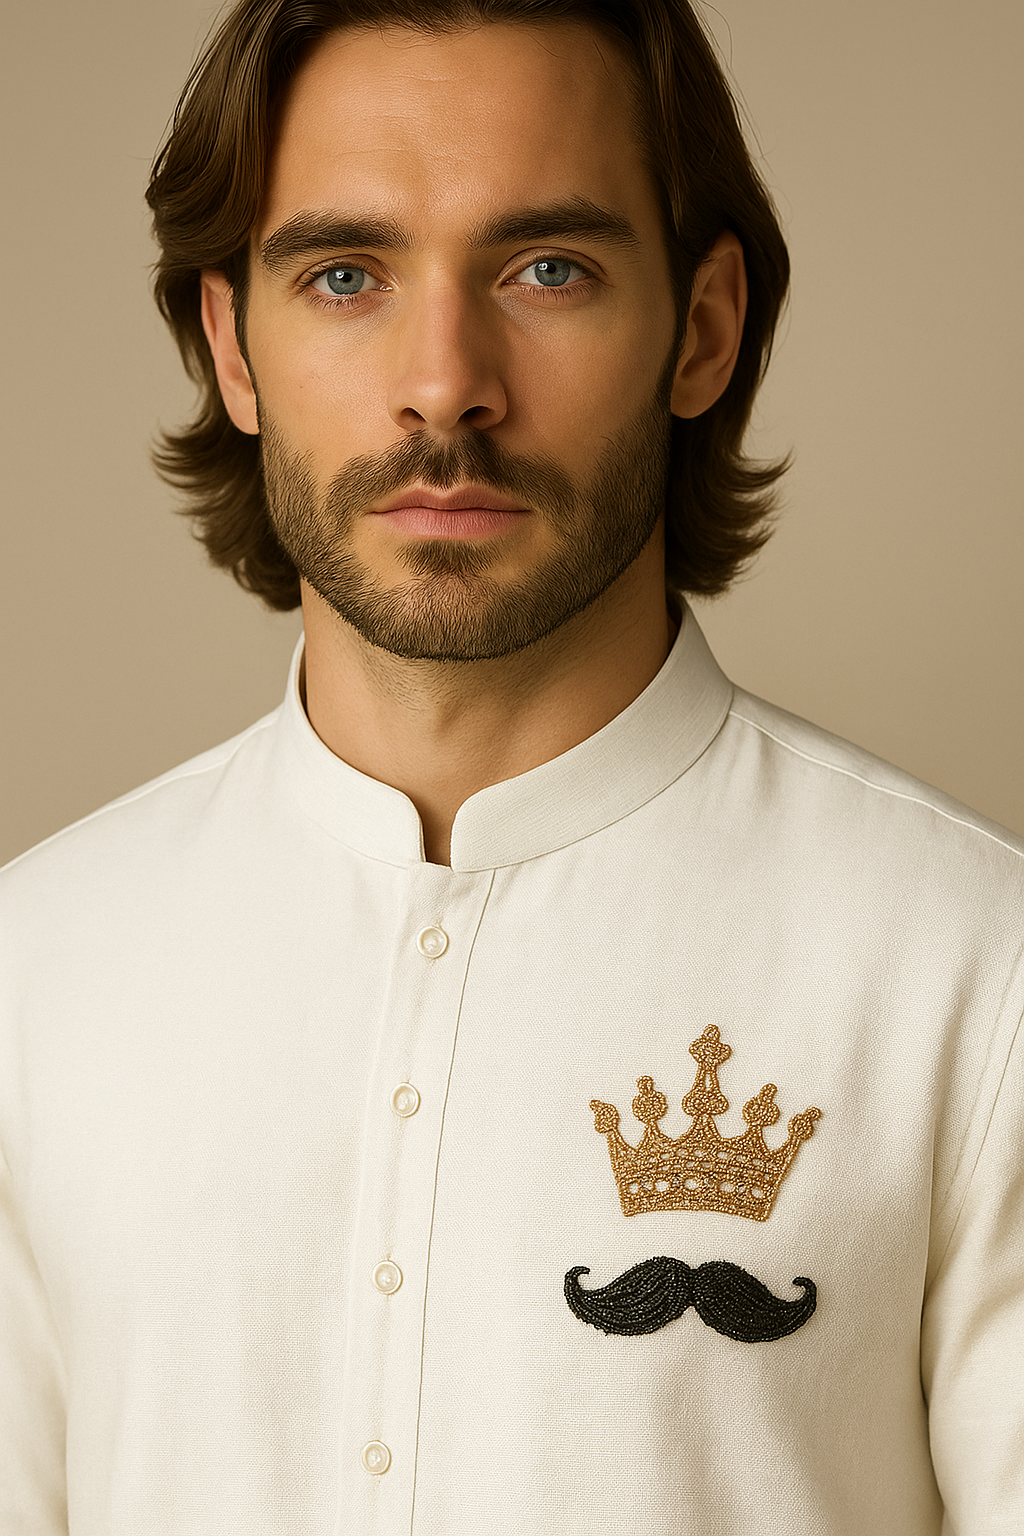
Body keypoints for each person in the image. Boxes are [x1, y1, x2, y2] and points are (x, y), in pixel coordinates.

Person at [1, 0, 1021, 1531]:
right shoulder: (37, 966)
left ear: (703, 328)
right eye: (345, 275)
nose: (444, 385)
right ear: (233, 345)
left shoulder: (977, 970)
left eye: (549, 269)